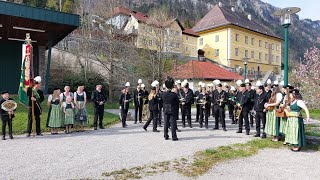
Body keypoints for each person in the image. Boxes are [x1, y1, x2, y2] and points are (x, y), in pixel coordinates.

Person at [161, 76, 179, 141]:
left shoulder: (162, 94)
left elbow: (161, 101)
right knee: (173, 123)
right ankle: (174, 137)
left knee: (166, 123)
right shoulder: (174, 95)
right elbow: (177, 103)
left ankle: (165, 135)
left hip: (165, 109)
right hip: (172, 109)